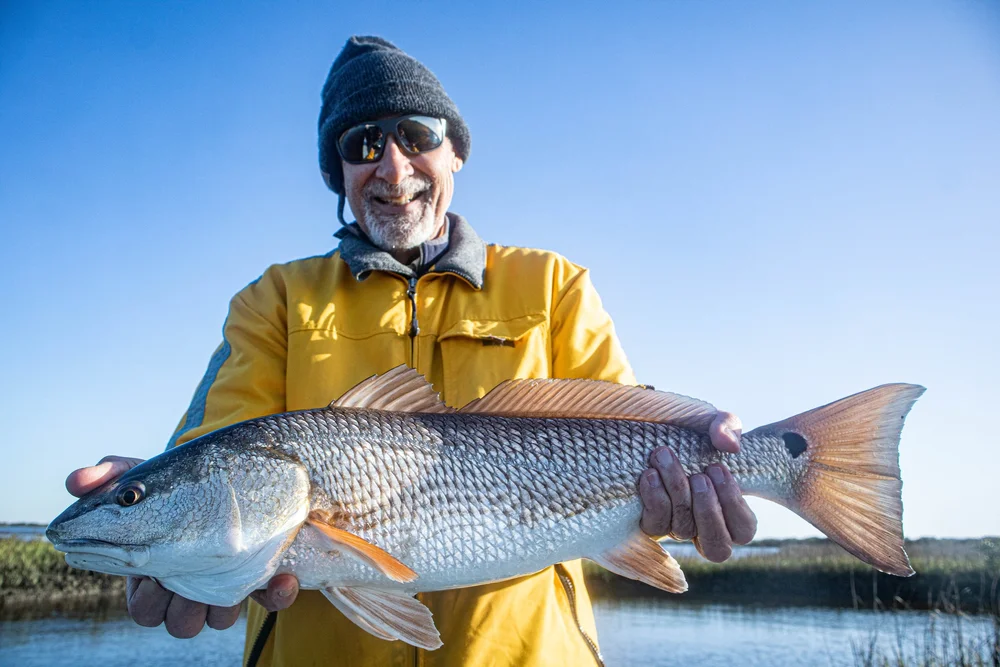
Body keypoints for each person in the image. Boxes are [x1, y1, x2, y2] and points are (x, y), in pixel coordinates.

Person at [65, 36, 757, 667]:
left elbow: (631, 431)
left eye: (417, 135)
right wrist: (145, 495)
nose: (393, 168)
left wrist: (693, 479)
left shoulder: (554, 285)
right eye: (362, 143)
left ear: (455, 151)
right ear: (339, 172)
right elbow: (214, 446)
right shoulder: (273, 300)